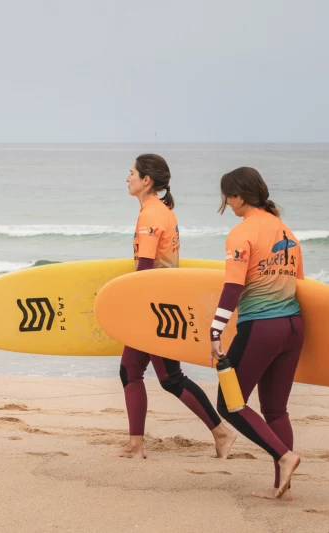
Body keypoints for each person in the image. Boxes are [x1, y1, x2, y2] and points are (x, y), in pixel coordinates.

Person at [120, 154, 236, 459]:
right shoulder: (161, 211)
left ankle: (221, 433)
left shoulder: (151, 215)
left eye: (131, 172)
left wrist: (132, 308)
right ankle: (135, 444)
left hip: (154, 307)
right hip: (159, 303)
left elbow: (145, 268)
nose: (126, 177)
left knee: (171, 379)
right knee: (129, 371)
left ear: (146, 180)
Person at [210, 167, 303, 500]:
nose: (227, 204)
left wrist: (215, 330)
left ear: (239, 196)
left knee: (229, 403)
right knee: (276, 410)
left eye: (228, 197)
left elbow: (233, 286)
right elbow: (300, 285)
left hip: (261, 328)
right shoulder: (286, 231)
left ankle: (284, 456)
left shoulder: (241, 233)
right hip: (293, 329)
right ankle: (283, 486)